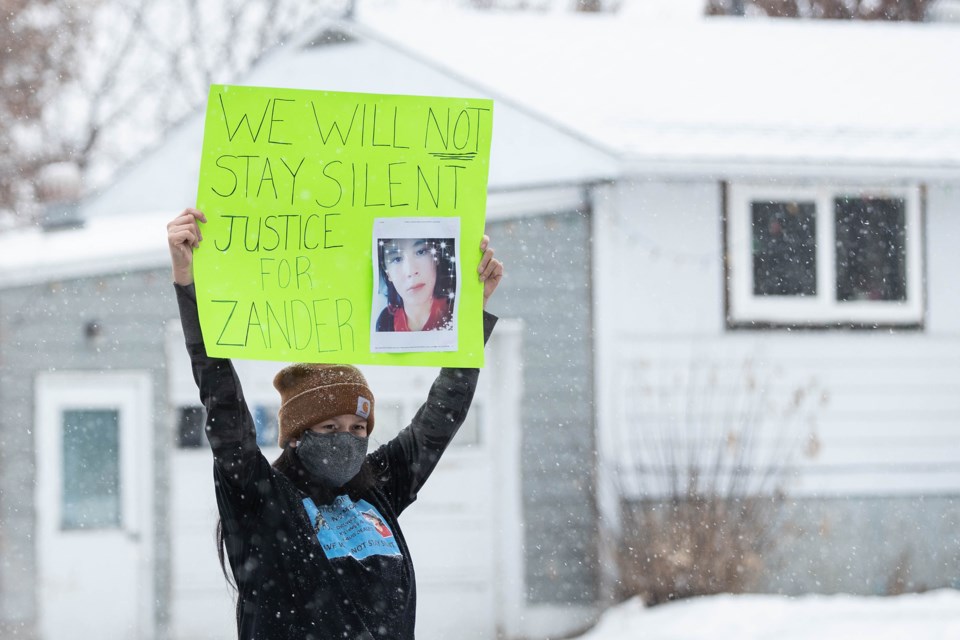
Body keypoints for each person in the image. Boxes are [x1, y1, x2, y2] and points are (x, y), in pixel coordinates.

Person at [166, 208, 503, 640]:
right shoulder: (263, 501)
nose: (346, 439)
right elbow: (222, 399)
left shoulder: (376, 490)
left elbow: (438, 420)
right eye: (328, 428)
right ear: (296, 436)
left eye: (358, 428)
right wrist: (187, 283)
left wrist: (470, 315)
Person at [375, 237, 456, 332]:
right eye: (397, 259)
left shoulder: (457, 311)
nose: (411, 271)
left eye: (421, 252)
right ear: (388, 273)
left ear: (436, 256)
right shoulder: (385, 322)